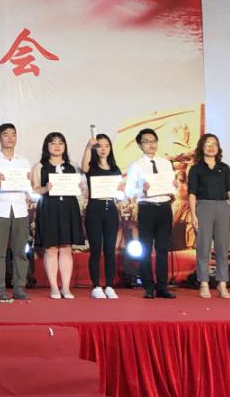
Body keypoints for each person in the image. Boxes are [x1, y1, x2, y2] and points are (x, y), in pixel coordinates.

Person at [125, 128, 179, 299]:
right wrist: (142, 189)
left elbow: (171, 187)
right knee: (146, 248)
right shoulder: (136, 166)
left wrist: (174, 187)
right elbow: (129, 190)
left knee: (163, 248)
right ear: (140, 145)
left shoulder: (166, 163)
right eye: (146, 142)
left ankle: (162, 286)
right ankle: (148, 286)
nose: (151, 145)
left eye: (153, 141)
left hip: (164, 207)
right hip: (147, 207)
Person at [0, 123, 33, 302]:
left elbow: (29, 188)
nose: (10, 138)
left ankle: (19, 287)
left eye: (13, 134)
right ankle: (0, 288)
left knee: (20, 251)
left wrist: (30, 182)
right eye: (5, 134)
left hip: (20, 209)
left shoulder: (23, 161)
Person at [32, 132, 84, 299]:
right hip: (48, 207)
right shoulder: (40, 166)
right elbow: (35, 189)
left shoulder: (73, 166)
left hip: (68, 208)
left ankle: (66, 288)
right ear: (46, 146)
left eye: (60, 143)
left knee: (66, 248)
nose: (57, 146)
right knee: (51, 248)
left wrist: (80, 187)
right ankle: (54, 287)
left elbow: (82, 187)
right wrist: (45, 189)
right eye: (53, 143)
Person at [188, 132, 230, 299]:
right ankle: (204, 283)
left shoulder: (225, 168)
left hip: (223, 208)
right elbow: (192, 194)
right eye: (207, 144)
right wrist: (193, 215)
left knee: (222, 248)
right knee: (203, 247)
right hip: (203, 207)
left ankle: (222, 283)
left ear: (218, 147)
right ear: (201, 147)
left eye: (214, 144)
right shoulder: (196, 169)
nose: (211, 147)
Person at [81, 132, 124, 300]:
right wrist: (88, 146)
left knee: (110, 249)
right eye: (99, 146)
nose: (103, 149)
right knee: (96, 249)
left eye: (107, 145)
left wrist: (121, 190)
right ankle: (96, 286)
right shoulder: (91, 167)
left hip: (111, 209)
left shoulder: (115, 169)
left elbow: (120, 196)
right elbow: (84, 168)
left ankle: (110, 286)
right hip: (94, 208)